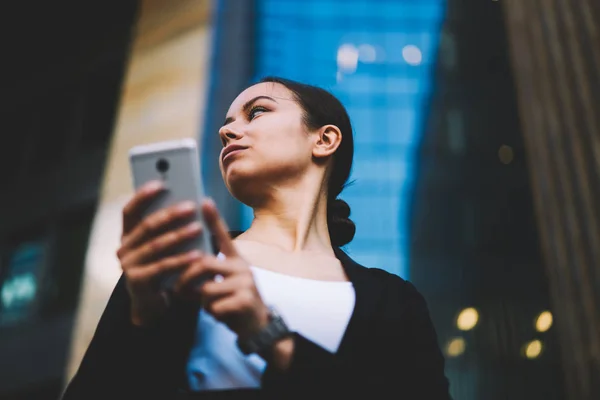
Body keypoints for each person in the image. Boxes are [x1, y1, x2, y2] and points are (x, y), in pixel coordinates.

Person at [62, 77, 451, 399]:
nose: (227, 130)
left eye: (257, 111)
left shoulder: (395, 302)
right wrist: (144, 321)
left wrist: (270, 335)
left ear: (324, 140)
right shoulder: (182, 263)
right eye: (228, 124)